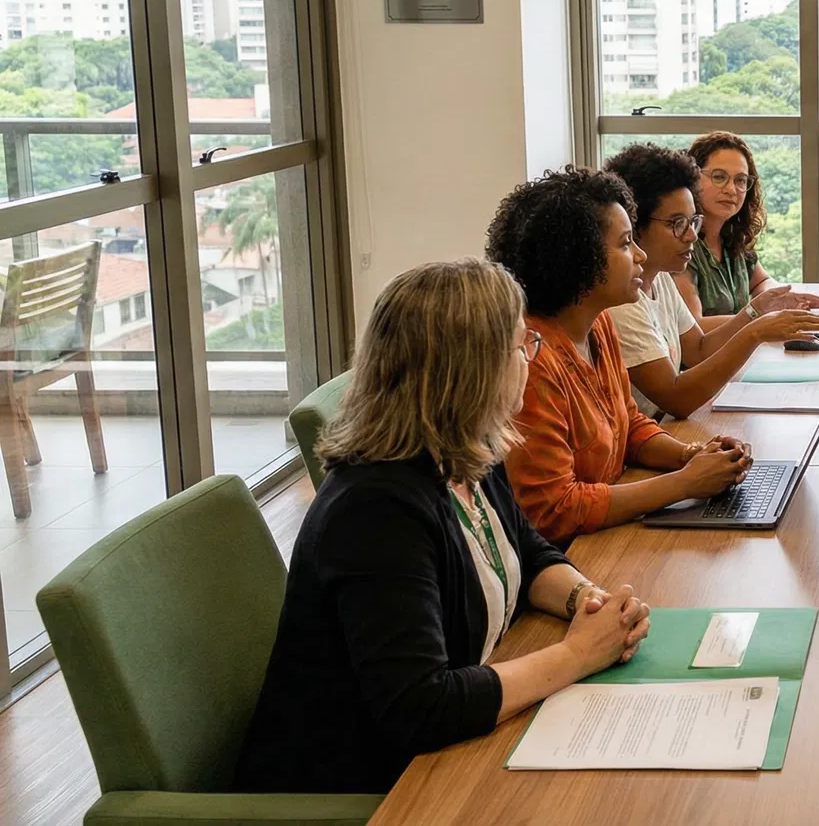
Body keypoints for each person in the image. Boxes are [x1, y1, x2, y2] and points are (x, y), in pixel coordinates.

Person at [235, 259, 651, 794]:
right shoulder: (376, 510)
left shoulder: (469, 450)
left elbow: (526, 551)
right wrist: (576, 655)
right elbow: (421, 707)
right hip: (368, 786)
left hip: (455, 750)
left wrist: (587, 604)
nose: (531, 359)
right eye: (523, 347)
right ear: (474, 371)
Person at [486, 167, 751, 543]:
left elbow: (629, 424)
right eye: (626, 244)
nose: (640, 255)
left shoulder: (598, 325)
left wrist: (691, 455)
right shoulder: (531, 359)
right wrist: (684, 483)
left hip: (605, 535)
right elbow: (553, 509)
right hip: (570, 554)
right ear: (578, 259)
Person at [604, 142, 819, 419]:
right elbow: (677, 399)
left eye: (692, 221)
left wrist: (755, 310)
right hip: (648, 441)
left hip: (659, 434)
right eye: (676, 223)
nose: (690, 235)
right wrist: (755, 330)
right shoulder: (621, 301)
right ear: (636, 224)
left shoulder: (659, 276)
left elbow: (698, 350)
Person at [676, 131, 819, 331]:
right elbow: (695, 328)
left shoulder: (731, 236)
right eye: (719, 177)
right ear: (693, 177)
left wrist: (774, 301)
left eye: (740, 180)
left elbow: (762, 281)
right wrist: (759, 315)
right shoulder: (680, 245)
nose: (731, 189)